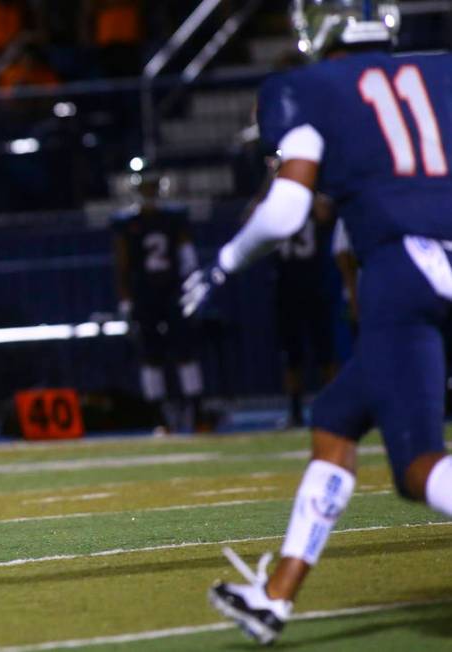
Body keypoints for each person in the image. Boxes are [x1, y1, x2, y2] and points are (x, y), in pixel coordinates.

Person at [180, 1, 452, 644]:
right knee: (335, 418)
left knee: (418, 467)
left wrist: (223, 263)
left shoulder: (308, 87)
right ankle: (275, 599)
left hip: (404, 269)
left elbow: (284, 211)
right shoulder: (439, 72)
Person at [112, 174, 203, 431]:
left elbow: (187, 256)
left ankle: (194, 411)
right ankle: (160, 417)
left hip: (173, 291)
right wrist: (126, 300)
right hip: (145, 295)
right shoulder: (127, 222)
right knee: (150, 357)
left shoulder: (173, 218)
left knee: (185, 352)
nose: (149, 192)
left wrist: (191, 286)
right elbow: (123, 265)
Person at [274, 198, 337, 427]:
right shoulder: (276, 201)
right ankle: (295, 411)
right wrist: (272, 184)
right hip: (286, 288)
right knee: (292, 356)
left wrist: (303, 186)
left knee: (325, 353)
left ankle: (334, 408)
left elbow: (325, 214)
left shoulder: (311, 200)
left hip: (314, 286)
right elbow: (248, 218)